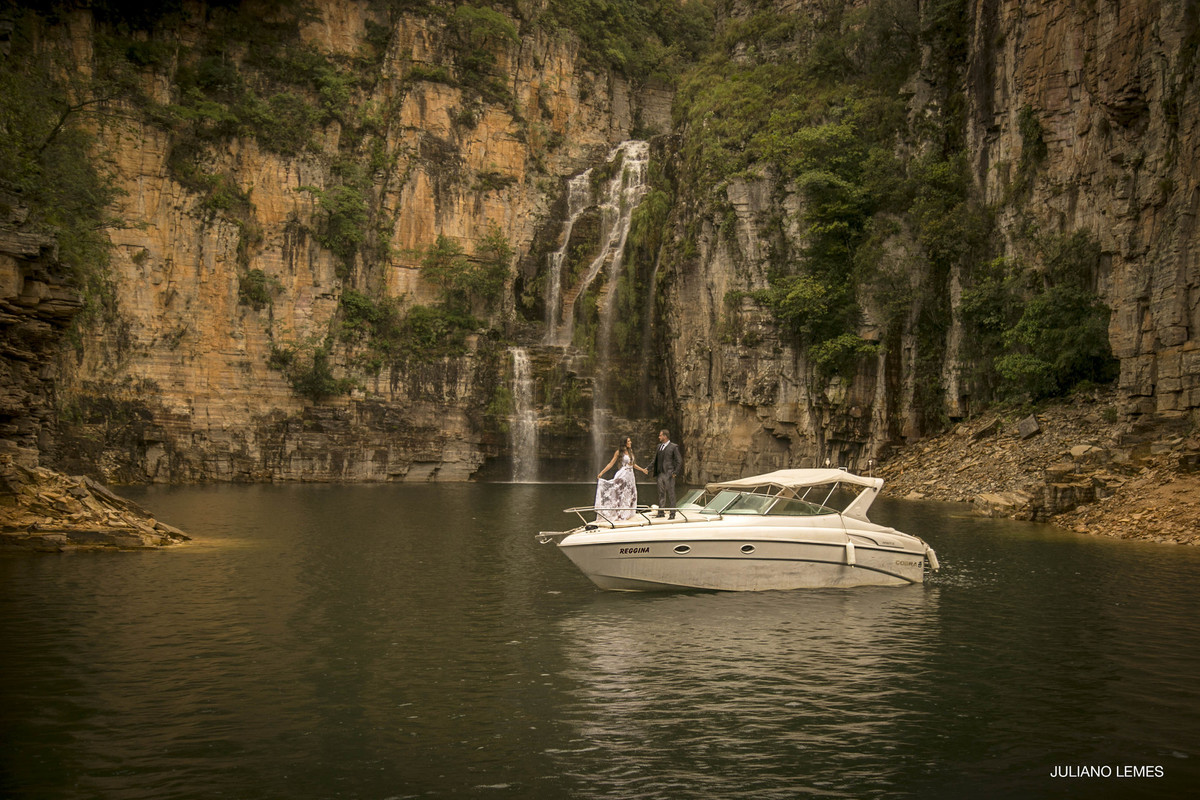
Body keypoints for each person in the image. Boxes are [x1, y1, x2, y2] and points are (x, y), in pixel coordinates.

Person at [595, 436, 649, 521]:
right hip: (622, 475)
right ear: (624, 443)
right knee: (620, 495)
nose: (630, 442)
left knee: (632, 494)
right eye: (628, 441)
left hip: (630, 476)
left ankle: (628, 514)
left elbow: (633, 464)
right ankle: (619, 515)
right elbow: (611, 463)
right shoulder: (618, 452)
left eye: (630, 441)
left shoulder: (630, 451)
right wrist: (602, 472)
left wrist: (642, 470)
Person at [651, 429, 682, 518]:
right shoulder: (659, 446)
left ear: (665, 436)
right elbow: (655, 460)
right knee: (661, 493)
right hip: (660, 473)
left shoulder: (673, 447)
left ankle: (672, 514)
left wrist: (675, 472)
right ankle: (661, 512)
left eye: (660, 435)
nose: (659, 437)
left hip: (669, 474)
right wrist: (648, 468)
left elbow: (679, 460)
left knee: (671, 494)